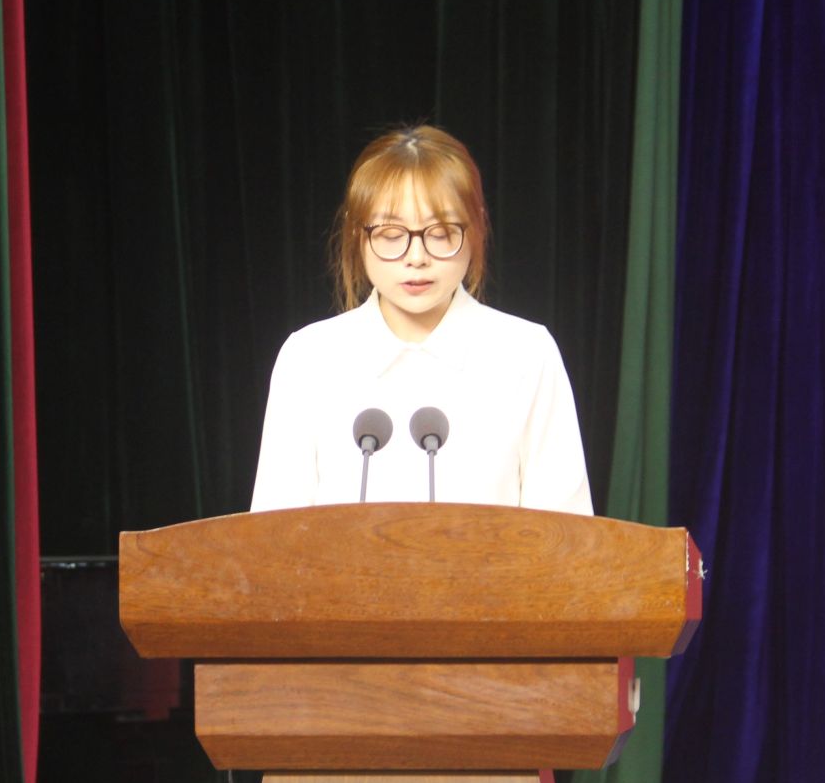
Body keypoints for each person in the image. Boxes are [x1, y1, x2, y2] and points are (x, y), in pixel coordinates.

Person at [248, 125, 593, 515]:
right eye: (391, 234)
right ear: (358, 234)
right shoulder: (309, 357)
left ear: (476, 228)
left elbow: (565, 531)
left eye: (441, 233)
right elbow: (273, 535)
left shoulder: (525, 354)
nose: (416, 257)